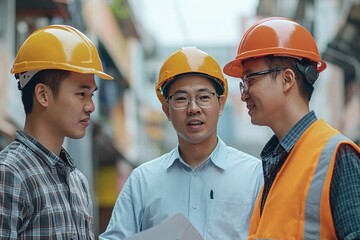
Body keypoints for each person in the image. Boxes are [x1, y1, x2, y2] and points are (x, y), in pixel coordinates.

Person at [99, 47, 263, 240]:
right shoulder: (142, 181)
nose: (193, 108)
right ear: (167, 109)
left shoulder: (254, 176)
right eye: (181, 99)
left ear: (220, 103)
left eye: (203, 97)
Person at [223, 17, 360, 240]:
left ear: (287, 80)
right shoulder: (276, 165)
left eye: (250, 80)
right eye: (242, 83)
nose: (244, 93)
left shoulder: (337, 156)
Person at [0, 25, 113, 239]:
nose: (91, 107)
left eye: (92, 95)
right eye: (81, 94)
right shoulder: (9, 173)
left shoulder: (77, 181)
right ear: (43, 95)